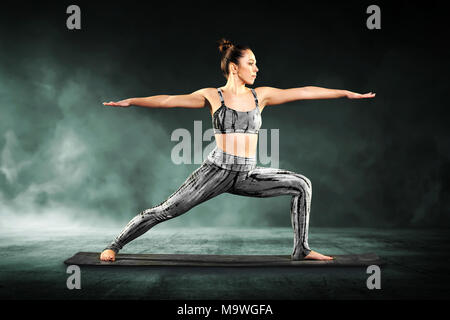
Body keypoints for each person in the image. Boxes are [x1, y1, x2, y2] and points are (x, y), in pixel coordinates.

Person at [100, 38, 375, 262]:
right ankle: (115, 245)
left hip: (247, 174)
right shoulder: (212, 95)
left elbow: (304, 91)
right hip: (215, 172)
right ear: (234, 67)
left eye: (256, 64)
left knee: (302, 184)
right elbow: (167, 100)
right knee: (166, 210)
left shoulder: (261, 95)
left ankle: (301, 249)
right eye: (251, 63)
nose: (256, 69)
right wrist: (131, 101)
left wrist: (345, 93)